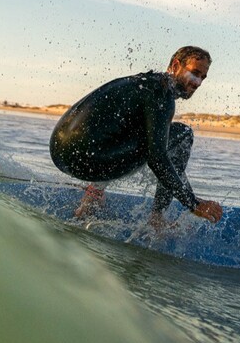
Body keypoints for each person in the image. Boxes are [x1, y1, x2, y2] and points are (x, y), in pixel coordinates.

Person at [49, 46, 223, 228]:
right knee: (182, 135)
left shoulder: (144, 83)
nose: (198, 83)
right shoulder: (161, 95)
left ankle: (94, 194)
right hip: (87, 162)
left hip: (60, 153)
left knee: (144, 135)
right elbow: (157, 158)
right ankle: (157, 217)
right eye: (195, 73)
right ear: (175, 65)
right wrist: (193, 203)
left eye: (203, 77)